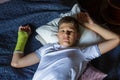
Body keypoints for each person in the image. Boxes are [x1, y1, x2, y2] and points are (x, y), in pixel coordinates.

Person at [11, 12, 120, 80]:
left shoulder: (83, 52)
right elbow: (17, 63)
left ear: (77, 36)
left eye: (70, 31)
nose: (66, 34)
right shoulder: (47, 48)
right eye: (62, 31)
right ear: (57, 34)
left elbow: (116, 40)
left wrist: (91, 25)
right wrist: (22, 38)